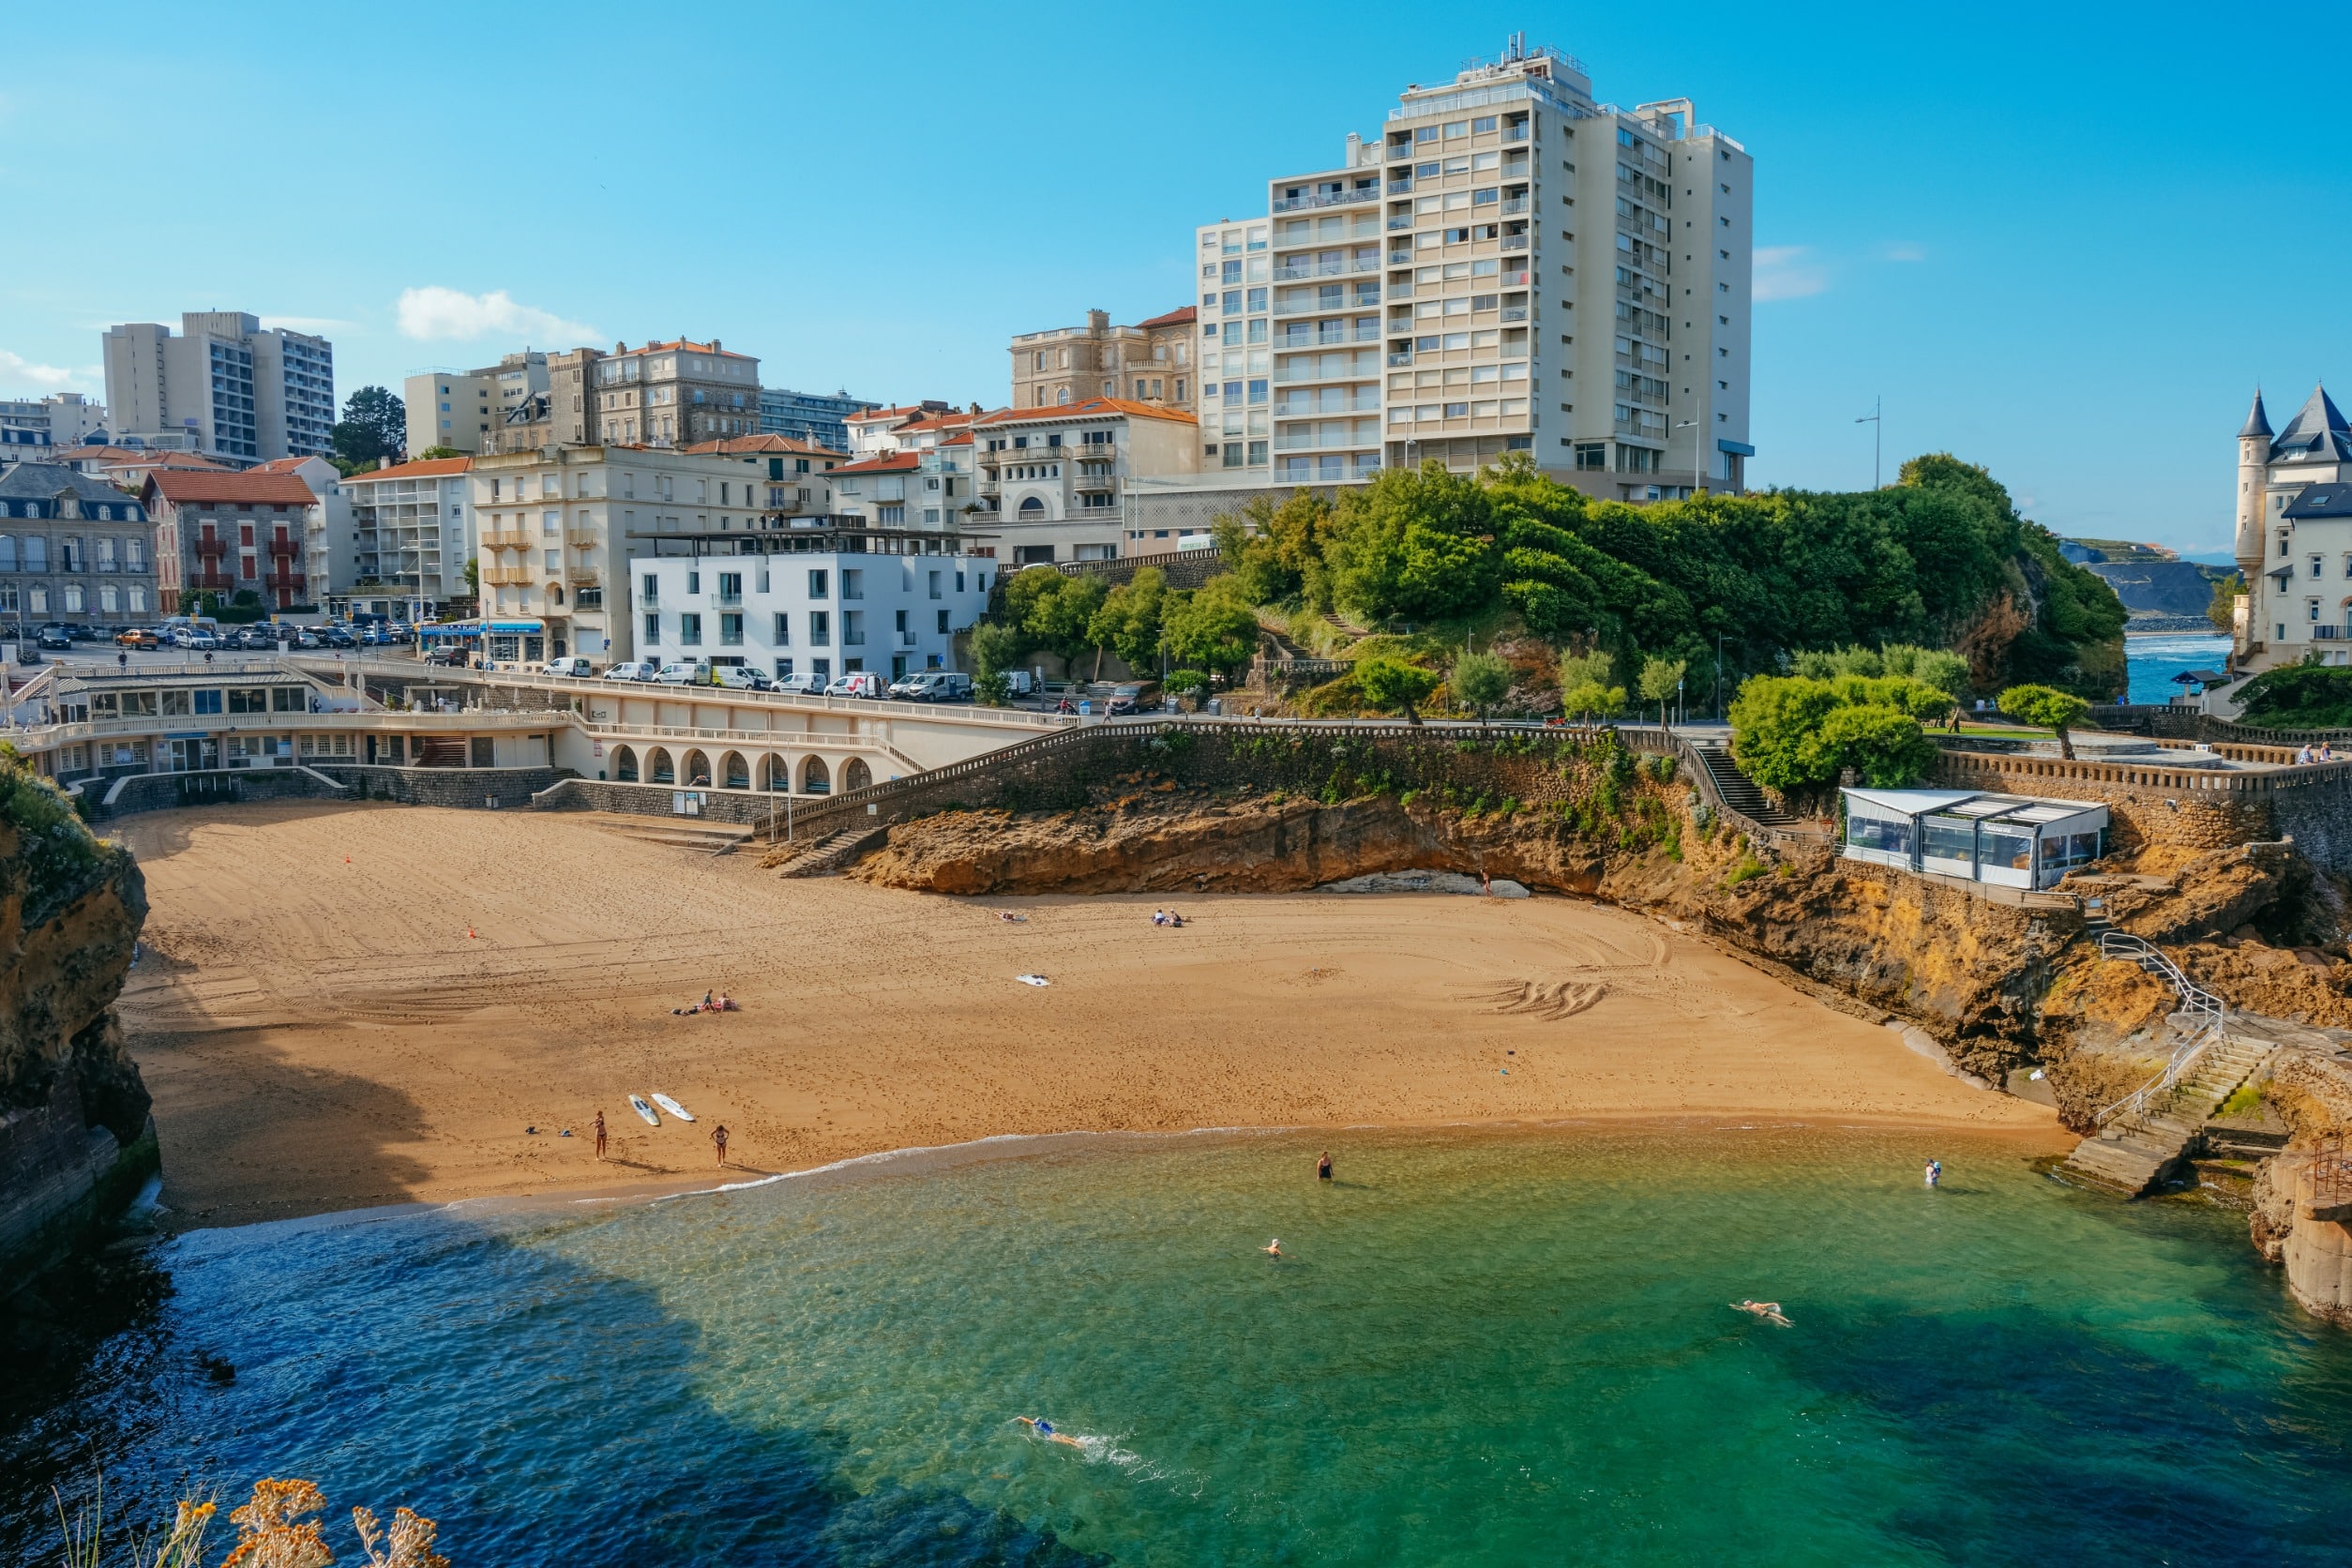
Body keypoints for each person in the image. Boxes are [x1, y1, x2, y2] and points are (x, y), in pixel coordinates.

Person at [1017, 1417, 1082, 1449]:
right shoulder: (1044, 1423)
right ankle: (1078, 1441)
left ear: (1036, 1422)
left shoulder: (1038, 1424)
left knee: (1064, 1441)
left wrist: (1020, 1417)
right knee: (1066, 1438)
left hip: (1052, 1435)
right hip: (1055, 1433)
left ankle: (1076, 1445)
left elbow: (1028, 1421)